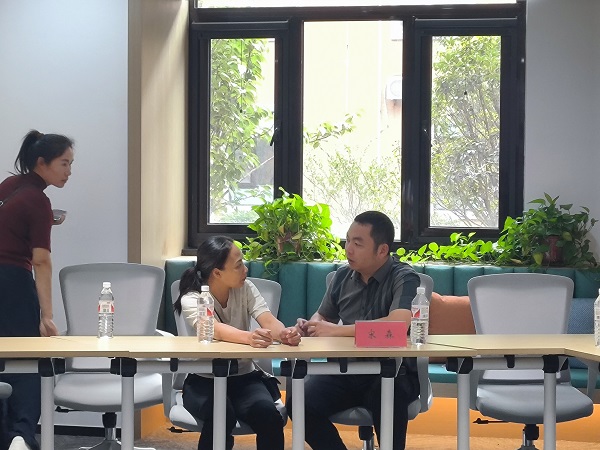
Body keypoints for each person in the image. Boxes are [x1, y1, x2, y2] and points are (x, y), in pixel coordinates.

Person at [288, 211, 421, 450]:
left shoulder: (404, 277)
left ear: (382, 250)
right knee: (298, 403)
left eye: (358, 244)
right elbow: (323, 316)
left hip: (390, 373)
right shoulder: (341, 275)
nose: (348, 249)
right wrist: (311, 326)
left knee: (389, 397)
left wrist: (335, 331)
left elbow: (398, 326)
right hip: (343, 371)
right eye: (348, 240)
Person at [174, 236, 301, 450]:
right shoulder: (193, 298)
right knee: (221, 416)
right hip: (203, 381)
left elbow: (268, 320)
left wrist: (285, 333)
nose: (245, 269)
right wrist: (249, 338)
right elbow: (215, 329)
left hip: (244, 378)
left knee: (269, 417)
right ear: (217, 273)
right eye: (239, 265)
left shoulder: (246, 288)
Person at [0, 130, 74, 450]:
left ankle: (7, 435)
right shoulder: (38, 201)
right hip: (12, 283)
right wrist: (47, 316)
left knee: (3, 359)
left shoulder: (9, 186)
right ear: (42, 163)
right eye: (64, 163)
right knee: (30, 360)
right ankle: (22, 434)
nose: (69, 171)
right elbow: (41, 261)